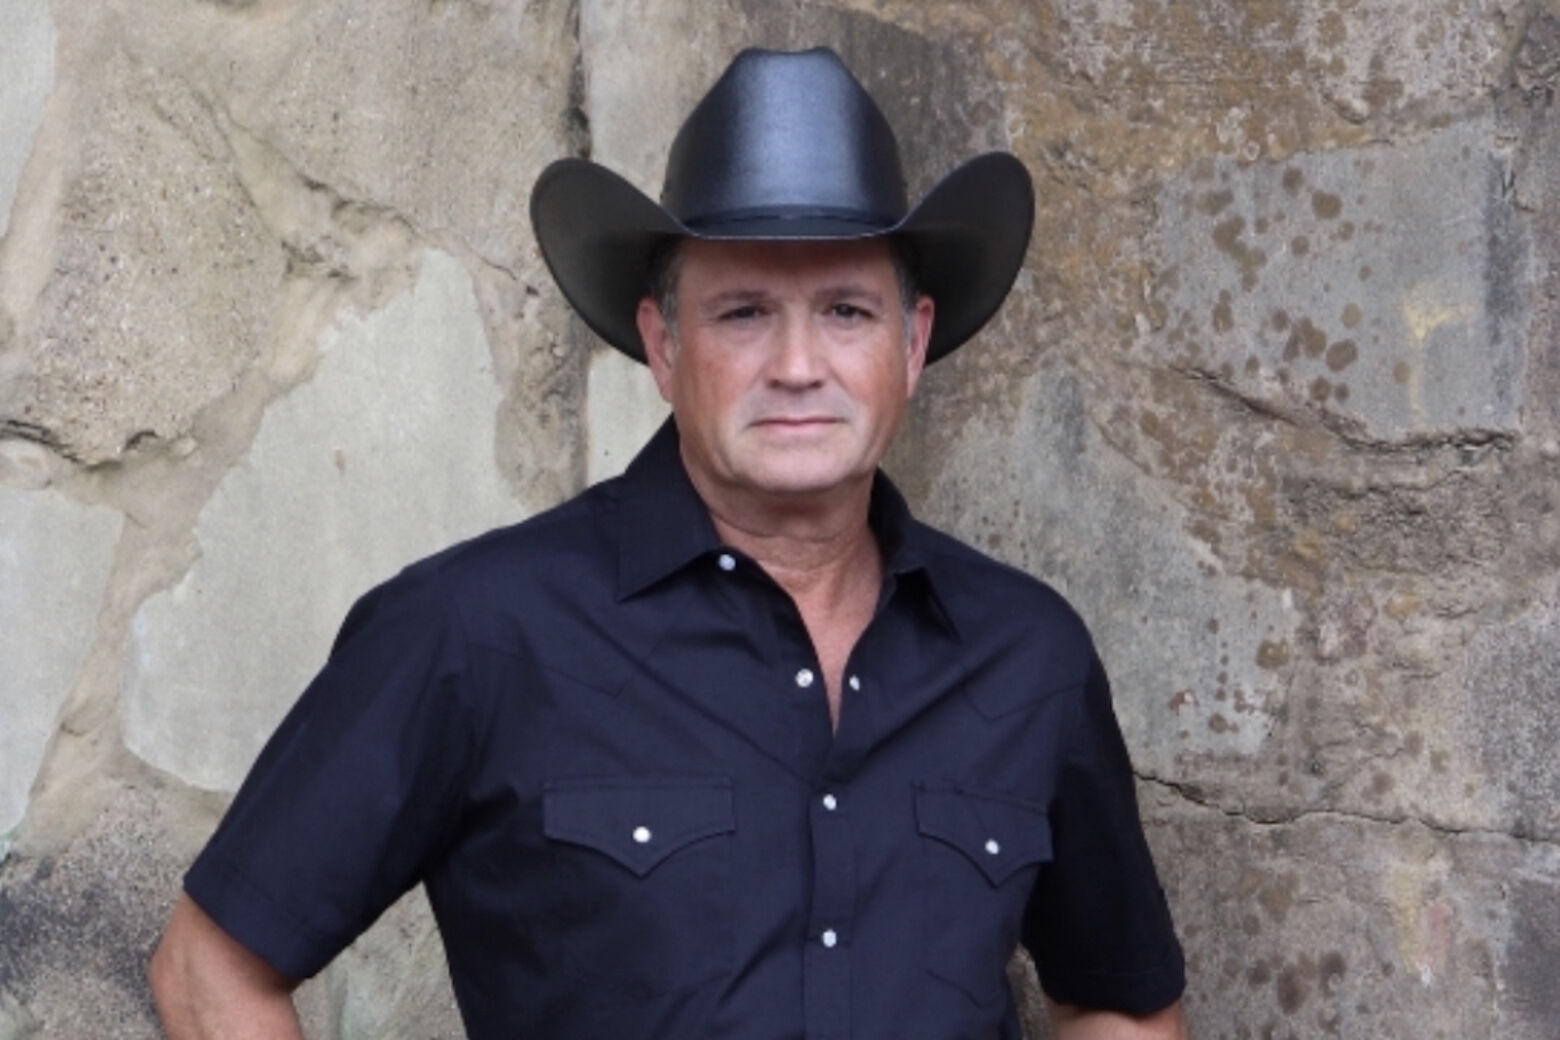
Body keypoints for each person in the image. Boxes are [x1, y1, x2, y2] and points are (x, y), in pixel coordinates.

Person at [150, 46, 1188, 1039]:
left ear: (912, 343)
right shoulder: (476, 633)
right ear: (663, 343)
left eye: (846, 310)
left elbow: (1122, 1004)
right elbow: (210, 969)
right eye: (743, 313)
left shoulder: (1027, 654)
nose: (797, 365)